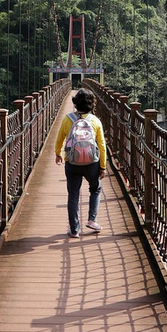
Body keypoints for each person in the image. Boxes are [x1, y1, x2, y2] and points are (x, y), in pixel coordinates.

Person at [55, 88, 107, 238]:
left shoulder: (67, 119)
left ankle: (74, 229)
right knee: (95, 189)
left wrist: (58, 154)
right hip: (92, 163)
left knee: (73, 194)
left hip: (72, 163)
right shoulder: (95, 121)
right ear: (92, 104)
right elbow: (102, 146)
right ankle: (92, 219)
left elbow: (59, 139)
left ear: (75, 103)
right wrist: (102, 166)